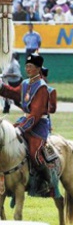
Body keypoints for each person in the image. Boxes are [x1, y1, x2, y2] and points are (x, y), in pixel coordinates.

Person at [0, 53, 52, 194]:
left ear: (38, 69)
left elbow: (36, 114)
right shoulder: (25, 83)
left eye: (31, 66)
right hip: (25, 121)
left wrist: (21, 129)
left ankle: (47, 182)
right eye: (26, 66)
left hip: (38, 125)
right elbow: (14, 94)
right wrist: (1, 87)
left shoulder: (42, 87)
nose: (27, 69)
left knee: (35, 152)